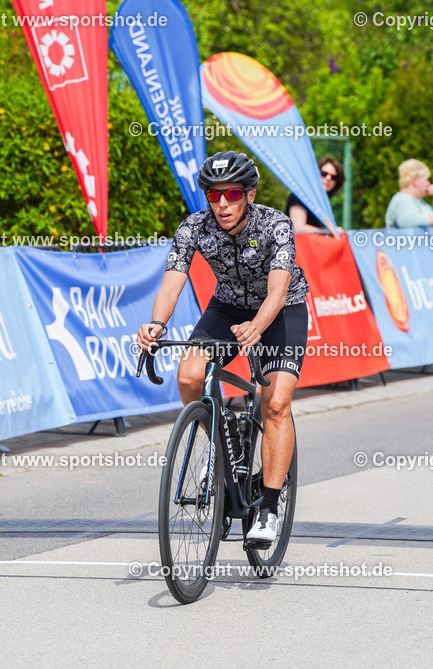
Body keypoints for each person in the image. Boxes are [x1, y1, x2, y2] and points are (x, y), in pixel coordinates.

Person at [137, 151, 308, 545]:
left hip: (281, 310)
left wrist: (257, 327)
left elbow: (279, 289)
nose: (223, 204)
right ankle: (219, 444)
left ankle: (267, 507)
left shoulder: (276, 225)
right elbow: (172, 281)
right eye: (214, 196)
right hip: (227, 306)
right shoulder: (194, 228)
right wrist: (156, 324)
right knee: (190, 375)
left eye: (232, 194)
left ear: (248, 193)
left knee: (277, 403)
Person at [385, 159, 433, 228]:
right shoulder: (402, 199)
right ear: (415, 181)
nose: (428, 183)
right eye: (426, 180)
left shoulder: (420, 203)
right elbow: (406, 221)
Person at [286, 156, 343, 233]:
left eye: (333, 177)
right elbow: (298, 228)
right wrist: (330, 232)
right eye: (324, 174)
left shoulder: (322, 203)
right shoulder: (300, 195)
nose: (328, 178)